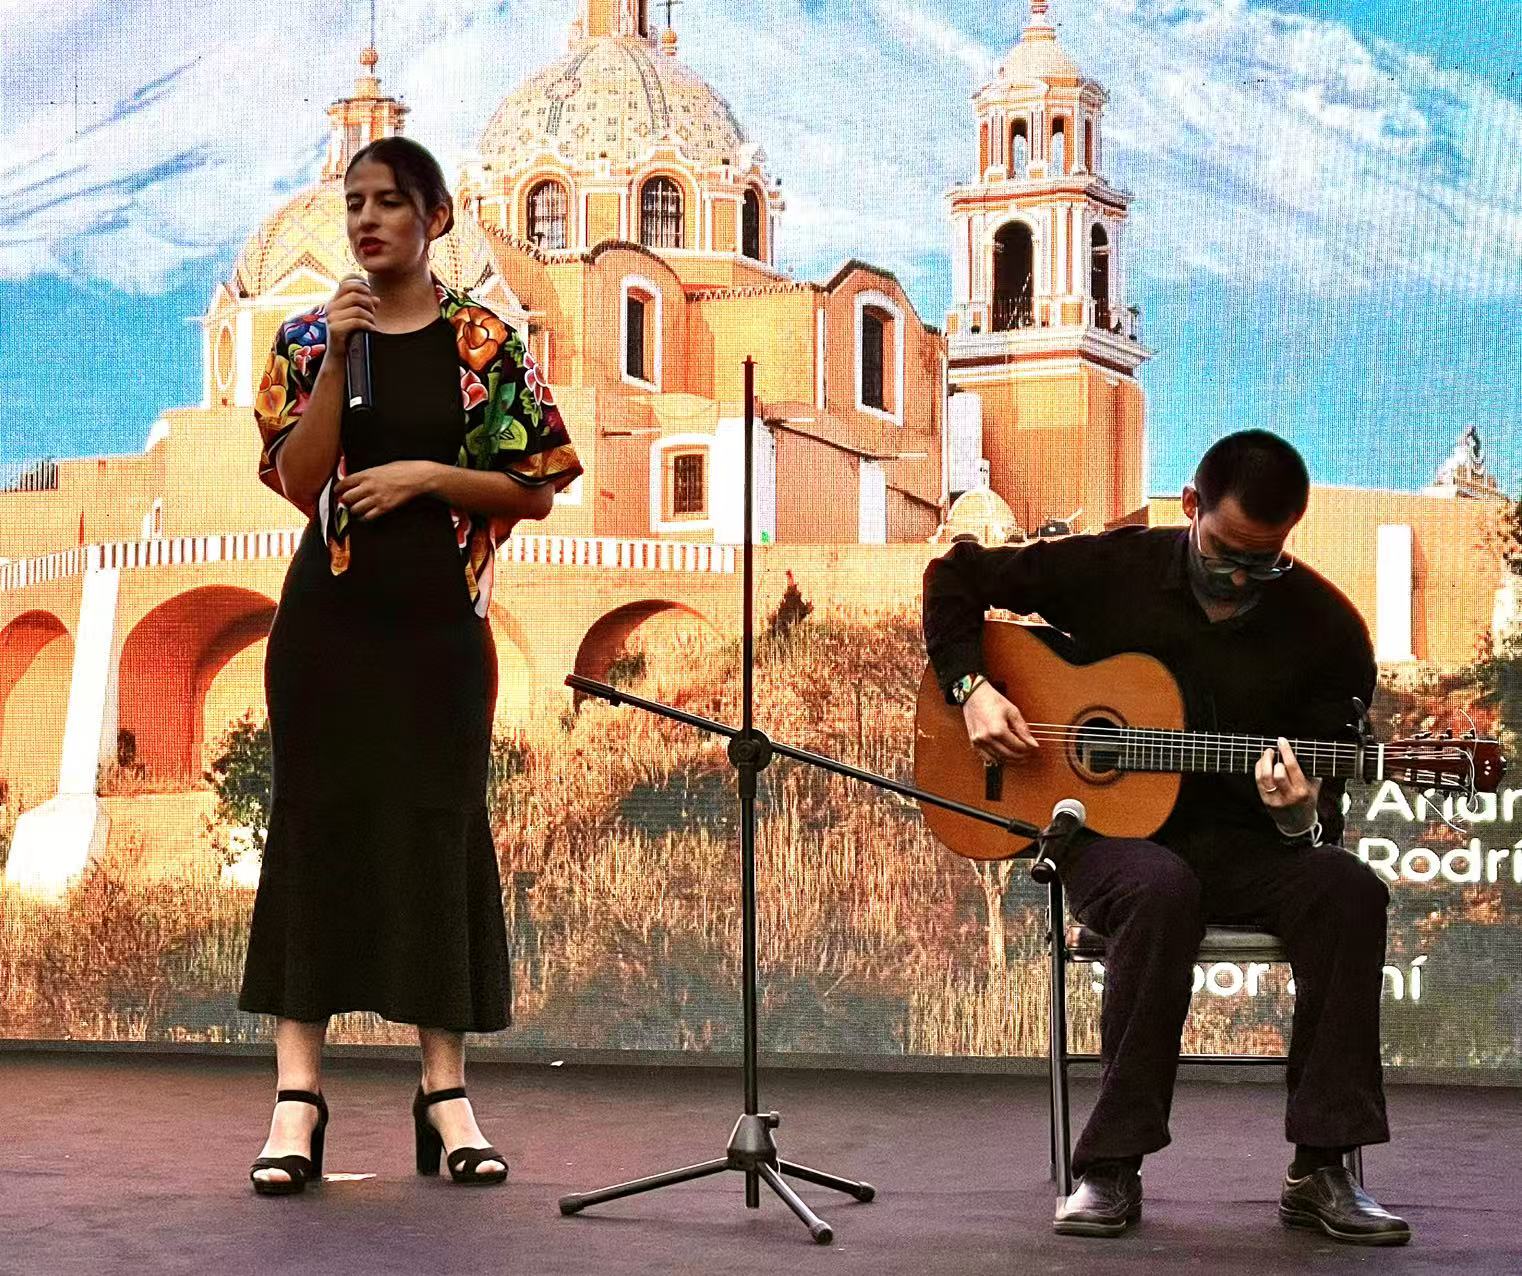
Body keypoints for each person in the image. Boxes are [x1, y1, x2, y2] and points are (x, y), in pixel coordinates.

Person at [923, 431, 1410, 1245]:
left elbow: (1319, 813)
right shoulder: (1115, 567)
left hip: (1244, 847)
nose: (1241, 579)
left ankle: (1322, 1166)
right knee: (1159, 888)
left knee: (1349, 889)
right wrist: (971, 688)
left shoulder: (1326, 629)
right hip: (1104, 837)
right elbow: (956, 576)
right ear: (1190, 507)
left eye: (1265, 561)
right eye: (1225, 553)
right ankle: (1108, 1168)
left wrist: (1298, 814)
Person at [240, 136, 581, 1195]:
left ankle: (445, 1096)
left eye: (391, 202)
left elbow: (534, 487)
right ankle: (298, 1099)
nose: (367, 220)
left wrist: (432, 474)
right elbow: (298, 480)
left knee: (436, 831)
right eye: (355, 203)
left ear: (435, 216)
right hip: (326, 631)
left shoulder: (487, 344)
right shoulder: (307, 337)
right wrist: (340, 360)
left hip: (437, 632)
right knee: (313, 826)